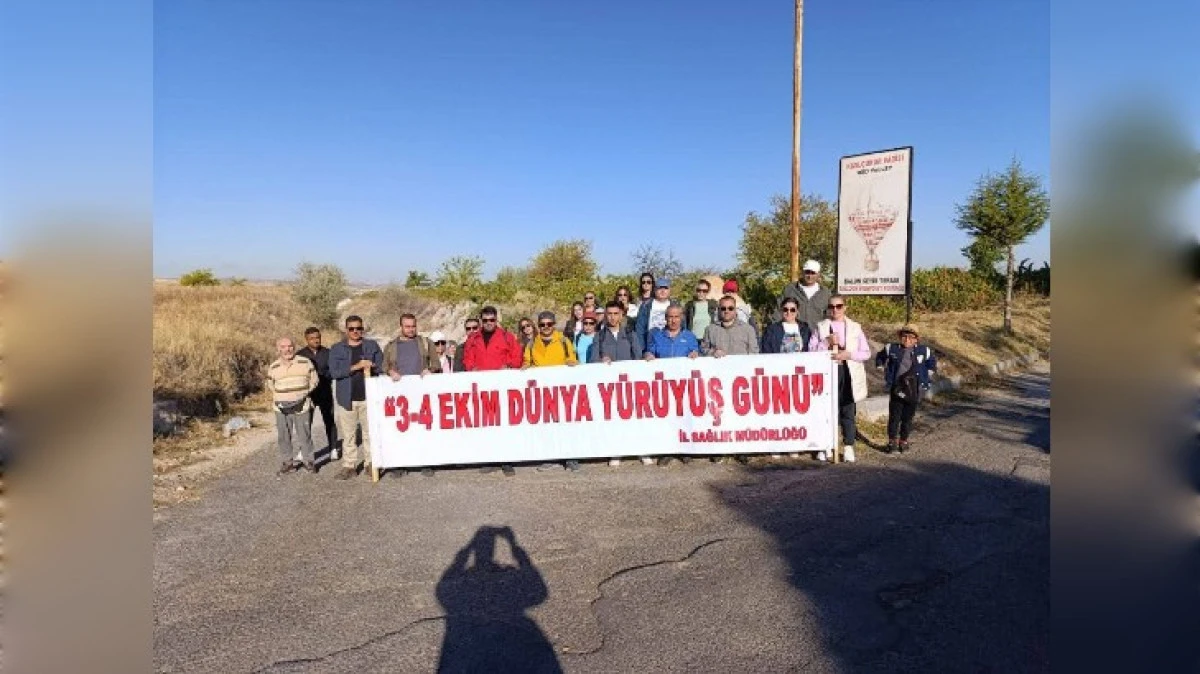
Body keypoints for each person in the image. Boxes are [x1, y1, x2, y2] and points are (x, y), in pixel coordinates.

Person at [809, 296, 871, 463]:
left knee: (847, 410)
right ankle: (826, 445)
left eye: (839, 306)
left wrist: (849, 354)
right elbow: (811, 351)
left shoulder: (855, 327)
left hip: (847, 371)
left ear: (845, 307)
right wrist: (825, 343)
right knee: (827, 410)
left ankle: (848, 445)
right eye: (831, 306)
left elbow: (866, 353)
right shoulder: (821, 327)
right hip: (827, 371)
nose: (835, 310)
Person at [590, 301, 651, 466]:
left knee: (635, 419)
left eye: (616, 313)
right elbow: (593, 360)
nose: (612, 317)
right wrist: (601, 360)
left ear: (622, 315)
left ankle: (641, 450)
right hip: (609, 387)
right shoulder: (599, 336)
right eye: (609, 314)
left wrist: (646, 358)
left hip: (629, 384)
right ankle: (616, 451)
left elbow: (638, 357)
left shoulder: (630, 334)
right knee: (614, 420)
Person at [462, 306, 521, 476]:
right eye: (485, 320)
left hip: (502, 389)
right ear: (481, 321)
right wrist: (471, 367)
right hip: (482, 389)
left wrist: (508, 365)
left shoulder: (507, 337)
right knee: (486, 425)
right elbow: (467, 359)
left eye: (492, 320)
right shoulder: (473, 339)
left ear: (496, 320)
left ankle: (507, 461)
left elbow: (517, 357)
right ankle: (490, 459)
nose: (489, 323)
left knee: (504, 424)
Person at [702, 295, 760, 465]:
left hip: (741, 380)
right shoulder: (710, 329)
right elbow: (703, 348)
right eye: (723, 308)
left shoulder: (747, 329)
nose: (726, 311)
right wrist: (712, 352)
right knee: (720, 415)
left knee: (741, 415)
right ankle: (720, 448)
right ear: (718, 310)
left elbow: (754, 352)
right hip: (718, 382)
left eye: (730, 308)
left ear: (735, 310)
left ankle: (741, 449)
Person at [522, 311, 581, 472]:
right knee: (546, 426)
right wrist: (526, 367)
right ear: (538, 326)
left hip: (562, 390)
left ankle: (571, 458)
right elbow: (527, 362)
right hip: (542, 392)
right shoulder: (532, 344)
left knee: (566, 424)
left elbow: (573, 359)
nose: (546, 327)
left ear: (554, 325)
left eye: (549, 324)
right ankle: (550, 457)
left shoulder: (563, 341)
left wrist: (572, 363)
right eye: (542, 325)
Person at [384, 313, 440, 478]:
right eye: (407, 326)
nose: (411, 329)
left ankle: (425, 463)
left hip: (421, 394)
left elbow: (436, 363)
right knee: (401, 430)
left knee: (423, 428)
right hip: (400, 396)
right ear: (401, 327)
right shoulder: (391, 346)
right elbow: (383, 366)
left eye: (413, 326)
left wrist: (430, 370)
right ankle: (400, 464)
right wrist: (390, 371)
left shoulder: (426, 343)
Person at [329, 315, 384, 480]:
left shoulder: (372, 346)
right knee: (349, 435)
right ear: (346, 330)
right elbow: (334, 372)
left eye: (358, 328)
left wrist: (373, 366)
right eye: (352, 328)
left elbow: (381, 366)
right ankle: (349, 466)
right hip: (347, 398)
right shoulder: (337, 349)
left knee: (369, 433)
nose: (355, 331)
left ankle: (370, 464)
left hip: (369, 398)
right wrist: (356, 366)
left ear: (362, 329)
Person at [644, 305, 700, 466]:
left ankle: (685, 450)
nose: (673, 320)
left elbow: (698, 354)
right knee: (667, 419)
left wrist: (695, 354)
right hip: (664, 386)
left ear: (681, 318)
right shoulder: (657, 336)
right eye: (670, 317)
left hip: (684, 386)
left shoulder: (689, 336)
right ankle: (667, 451)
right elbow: (649, 352)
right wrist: (648, 355)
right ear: (665, 318)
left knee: (685, 417)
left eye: (676, 317)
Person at [760, 297, 813, 460]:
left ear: (797, 311)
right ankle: (777, 443)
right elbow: (765, 351)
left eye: (792, 310)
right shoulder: (772, 329)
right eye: (785, 309)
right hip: (778, 375)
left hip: (798, 376)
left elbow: (810, 349)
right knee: (777, 411)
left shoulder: (805, 328)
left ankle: (793, 443)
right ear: (781, 311)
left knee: (795, 411)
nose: (788, 313)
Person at [876, 325, 938, 454]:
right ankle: (892, 441)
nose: (907, 339)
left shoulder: (924, 350)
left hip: (914, 389)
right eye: (904, 336)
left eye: (911, 337)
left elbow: (931, 362)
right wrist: (881, 367)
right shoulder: (891, 348)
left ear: (916, 339)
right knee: (894, 416)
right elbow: (880, 357)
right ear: (900, 337)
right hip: (897, 387)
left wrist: (928, 373)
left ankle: (903, 441)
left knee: (908, 417)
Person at [267, 337, 318, 475]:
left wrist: (302, 394)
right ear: (278, 349)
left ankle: (309, 462)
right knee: (284, 436)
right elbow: (271, 385)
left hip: (302, 406)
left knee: (304, 435)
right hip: (281, 408)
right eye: (283, 347)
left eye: (290, 346)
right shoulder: (273, 367)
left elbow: (314, 380)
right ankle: (288, 463)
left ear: (294, 347)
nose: (287, 349)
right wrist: (283, 397)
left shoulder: (305, 362)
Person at [295, 326, 338, 461]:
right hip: (308, 395)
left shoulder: (328, 353)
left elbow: (333, 370)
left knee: (329, 421)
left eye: (318, 337)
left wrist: (324, 376)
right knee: (306, 423)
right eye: (312, 338)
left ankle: (333, 448)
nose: (316, 340)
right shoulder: (300, 355)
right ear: (306, 339)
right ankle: (303, 450)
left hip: (325, 392)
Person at [777, 259, 832, 333]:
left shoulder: (825, 293)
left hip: (817, 336)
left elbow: (830, 316)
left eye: (813, 273)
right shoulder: (790, 289)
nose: (810, 276)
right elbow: (779, 311)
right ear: (802, 272)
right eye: (807, 272)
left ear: (818, 274)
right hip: (793, 334)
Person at [634, 277, 680, 355]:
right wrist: (642, 349)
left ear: (669, 290)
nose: (663, 291)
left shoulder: (676, 306)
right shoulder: (645, 306)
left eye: (665, 288)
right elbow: (640, 329)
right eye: (660, 288)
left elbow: (682, 327)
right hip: (650, 346)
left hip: (671, 346)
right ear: (655, 290)